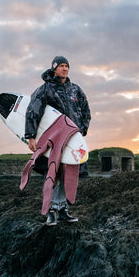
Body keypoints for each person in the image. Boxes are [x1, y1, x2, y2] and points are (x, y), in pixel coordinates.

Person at [25, 55, 91, 225]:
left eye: (67, 66)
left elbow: (85, 111)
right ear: (54, 68)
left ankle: (62, 210)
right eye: (61, 66)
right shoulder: (46, 89)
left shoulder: (75, 90)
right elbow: (33, 110)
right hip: (53, 139)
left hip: (71, 140)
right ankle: (51, 211)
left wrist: (81, 131)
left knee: (68, 174)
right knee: (52, 173)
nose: (65, 69)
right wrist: (31, 136)